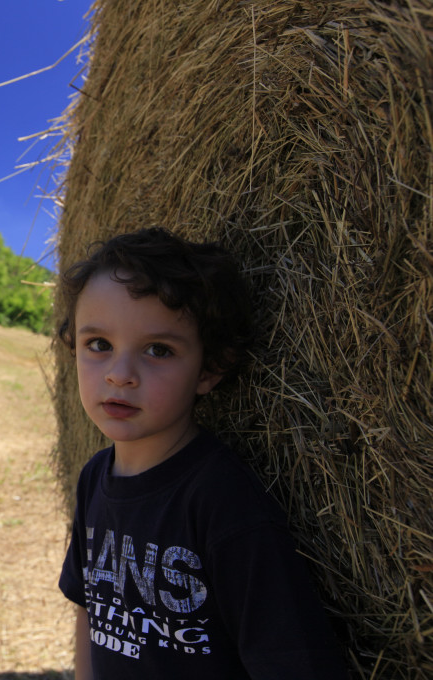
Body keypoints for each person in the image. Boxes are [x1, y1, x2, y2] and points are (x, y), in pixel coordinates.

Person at [57, 227, 347, 678]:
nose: (119, 374)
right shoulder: (94, 478)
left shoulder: (225, 504)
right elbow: (87, 610)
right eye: (99, 345)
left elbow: (294, 661)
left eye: (158, 350)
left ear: (209, 370)